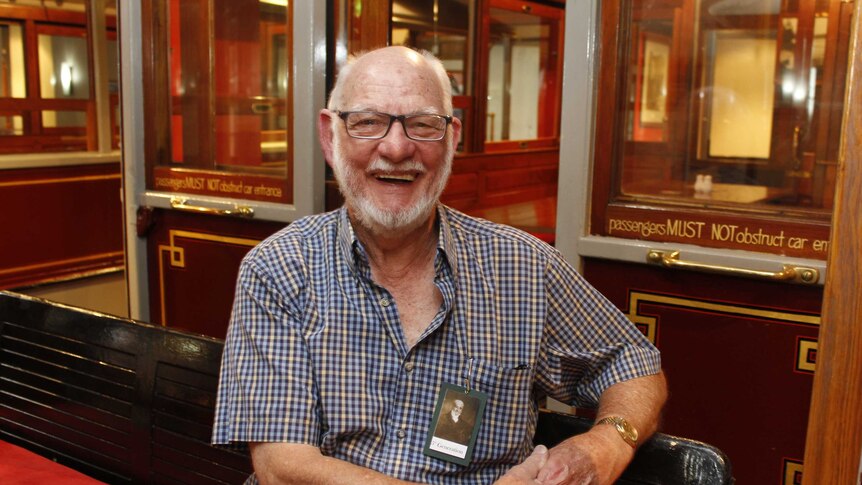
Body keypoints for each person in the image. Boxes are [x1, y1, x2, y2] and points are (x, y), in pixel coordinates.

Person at [212, 46, 667, 485]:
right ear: (330, 136)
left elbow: (632, 363)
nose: (395, 148)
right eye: (368, 122)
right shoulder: (278, 268)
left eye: (422, 125)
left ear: (452, 139)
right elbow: (282, 466)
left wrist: (605, 446)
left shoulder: (524, 267)